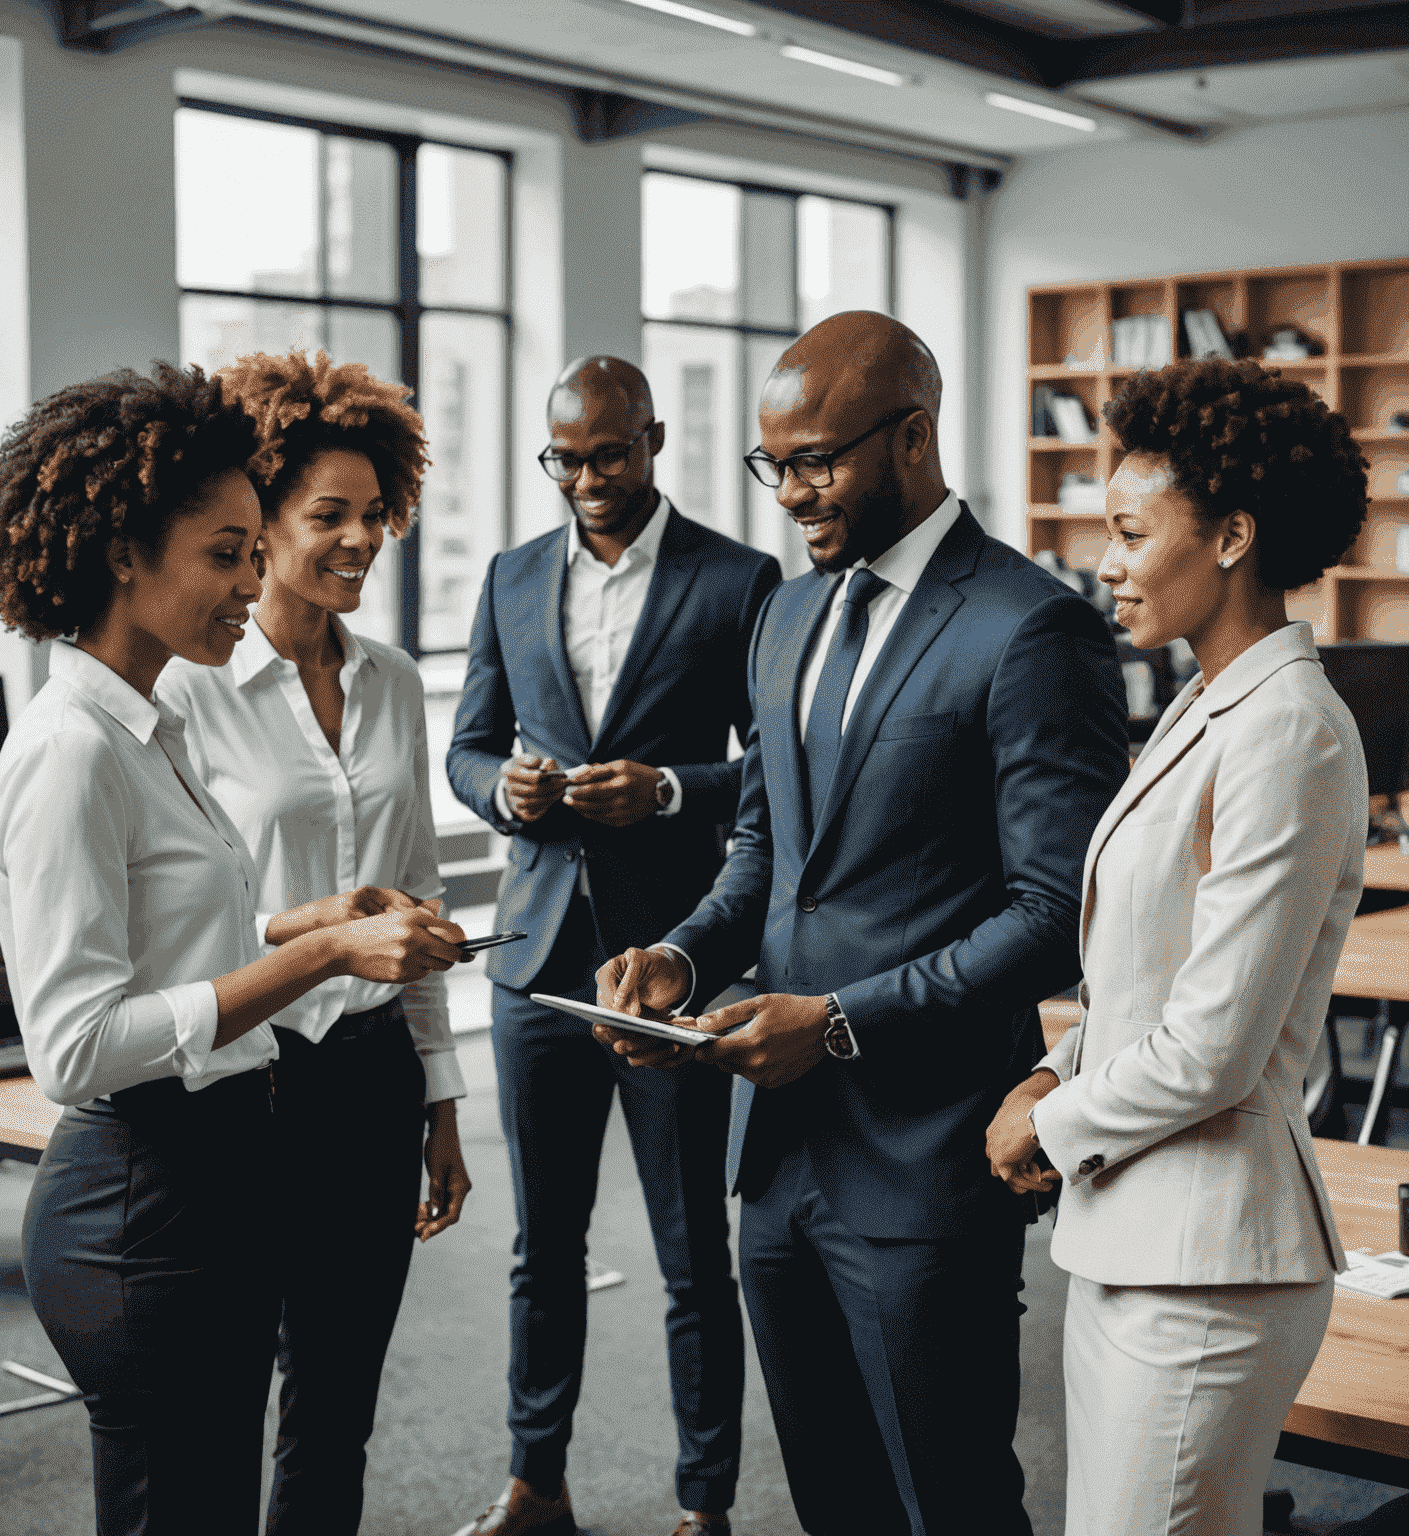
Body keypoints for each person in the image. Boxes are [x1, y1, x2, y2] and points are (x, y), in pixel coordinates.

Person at [595, 312, 1129, 1536]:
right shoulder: (785, 616)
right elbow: (768, 853)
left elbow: (1055, 916)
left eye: (818, 461)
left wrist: (836, 1026)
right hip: (779, 1162)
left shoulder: (1029, 626)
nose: (789, 494)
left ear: (915, 438)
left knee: (950, 1501)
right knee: (832, 1500)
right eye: (770, 466)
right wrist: (682, 956)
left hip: (928, 1159)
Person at [0, 363, 468, 1536]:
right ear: (123, 552)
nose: (252, 584)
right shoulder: (73, 751)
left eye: (254, 552)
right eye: (226, 553)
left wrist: (297, 924)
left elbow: (166, 941)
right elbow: (77, 1045)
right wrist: (319, 962)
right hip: (142, 1200)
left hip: (211, 1184)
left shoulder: (140, 729)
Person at [985, 358, 1371, 1536]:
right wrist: (1059, 1067)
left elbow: (1213, 1046)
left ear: (1233, 536)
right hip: (1140, 1233)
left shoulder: (1289, 732)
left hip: (1213, 1264)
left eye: (1128, 531)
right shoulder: (1206, 704)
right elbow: (1142, 974)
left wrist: (1044, 1123)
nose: (1103, 562)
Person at [446, 356, 780, 1536]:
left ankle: (705, 1509)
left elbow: (774, 772)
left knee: (695, 1253)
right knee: (544, 1249)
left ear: (652, 442)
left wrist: (673, 793)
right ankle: (537, 1483)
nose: (586, 479)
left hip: (668, 965)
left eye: (608, 454)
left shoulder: (739, 579)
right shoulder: (509, 575)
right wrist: (508, 792)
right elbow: (469, 746)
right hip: (536, 963)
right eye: (564, 458)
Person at [154, 349, 471, 1536]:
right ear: (261, 520)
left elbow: (417, 894)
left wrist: (441, 1098)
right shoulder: (187, 692)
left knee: (339, 1403)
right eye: (326, 515)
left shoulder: (392, 682)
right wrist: (318, 932)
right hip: (249, 1077)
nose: (359, 540)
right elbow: (172, 923)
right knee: (224, 1396)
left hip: (374, 1080)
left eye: (375, 514)